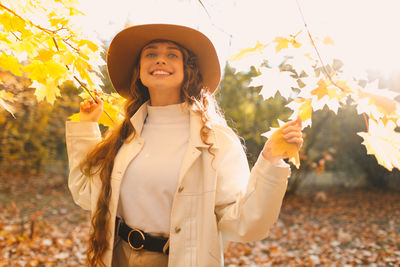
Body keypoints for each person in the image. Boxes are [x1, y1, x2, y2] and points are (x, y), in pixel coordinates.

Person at [66, 24, 303, 267]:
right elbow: (85, 192)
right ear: (138, 70)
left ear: (188, 70)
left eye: (171, 55)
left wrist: (270, 161)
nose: (160, 60)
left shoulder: (215, 140)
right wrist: (86, 126)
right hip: (115, 258)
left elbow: (244, 223)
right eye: (150, 54)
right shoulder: (123, 136)